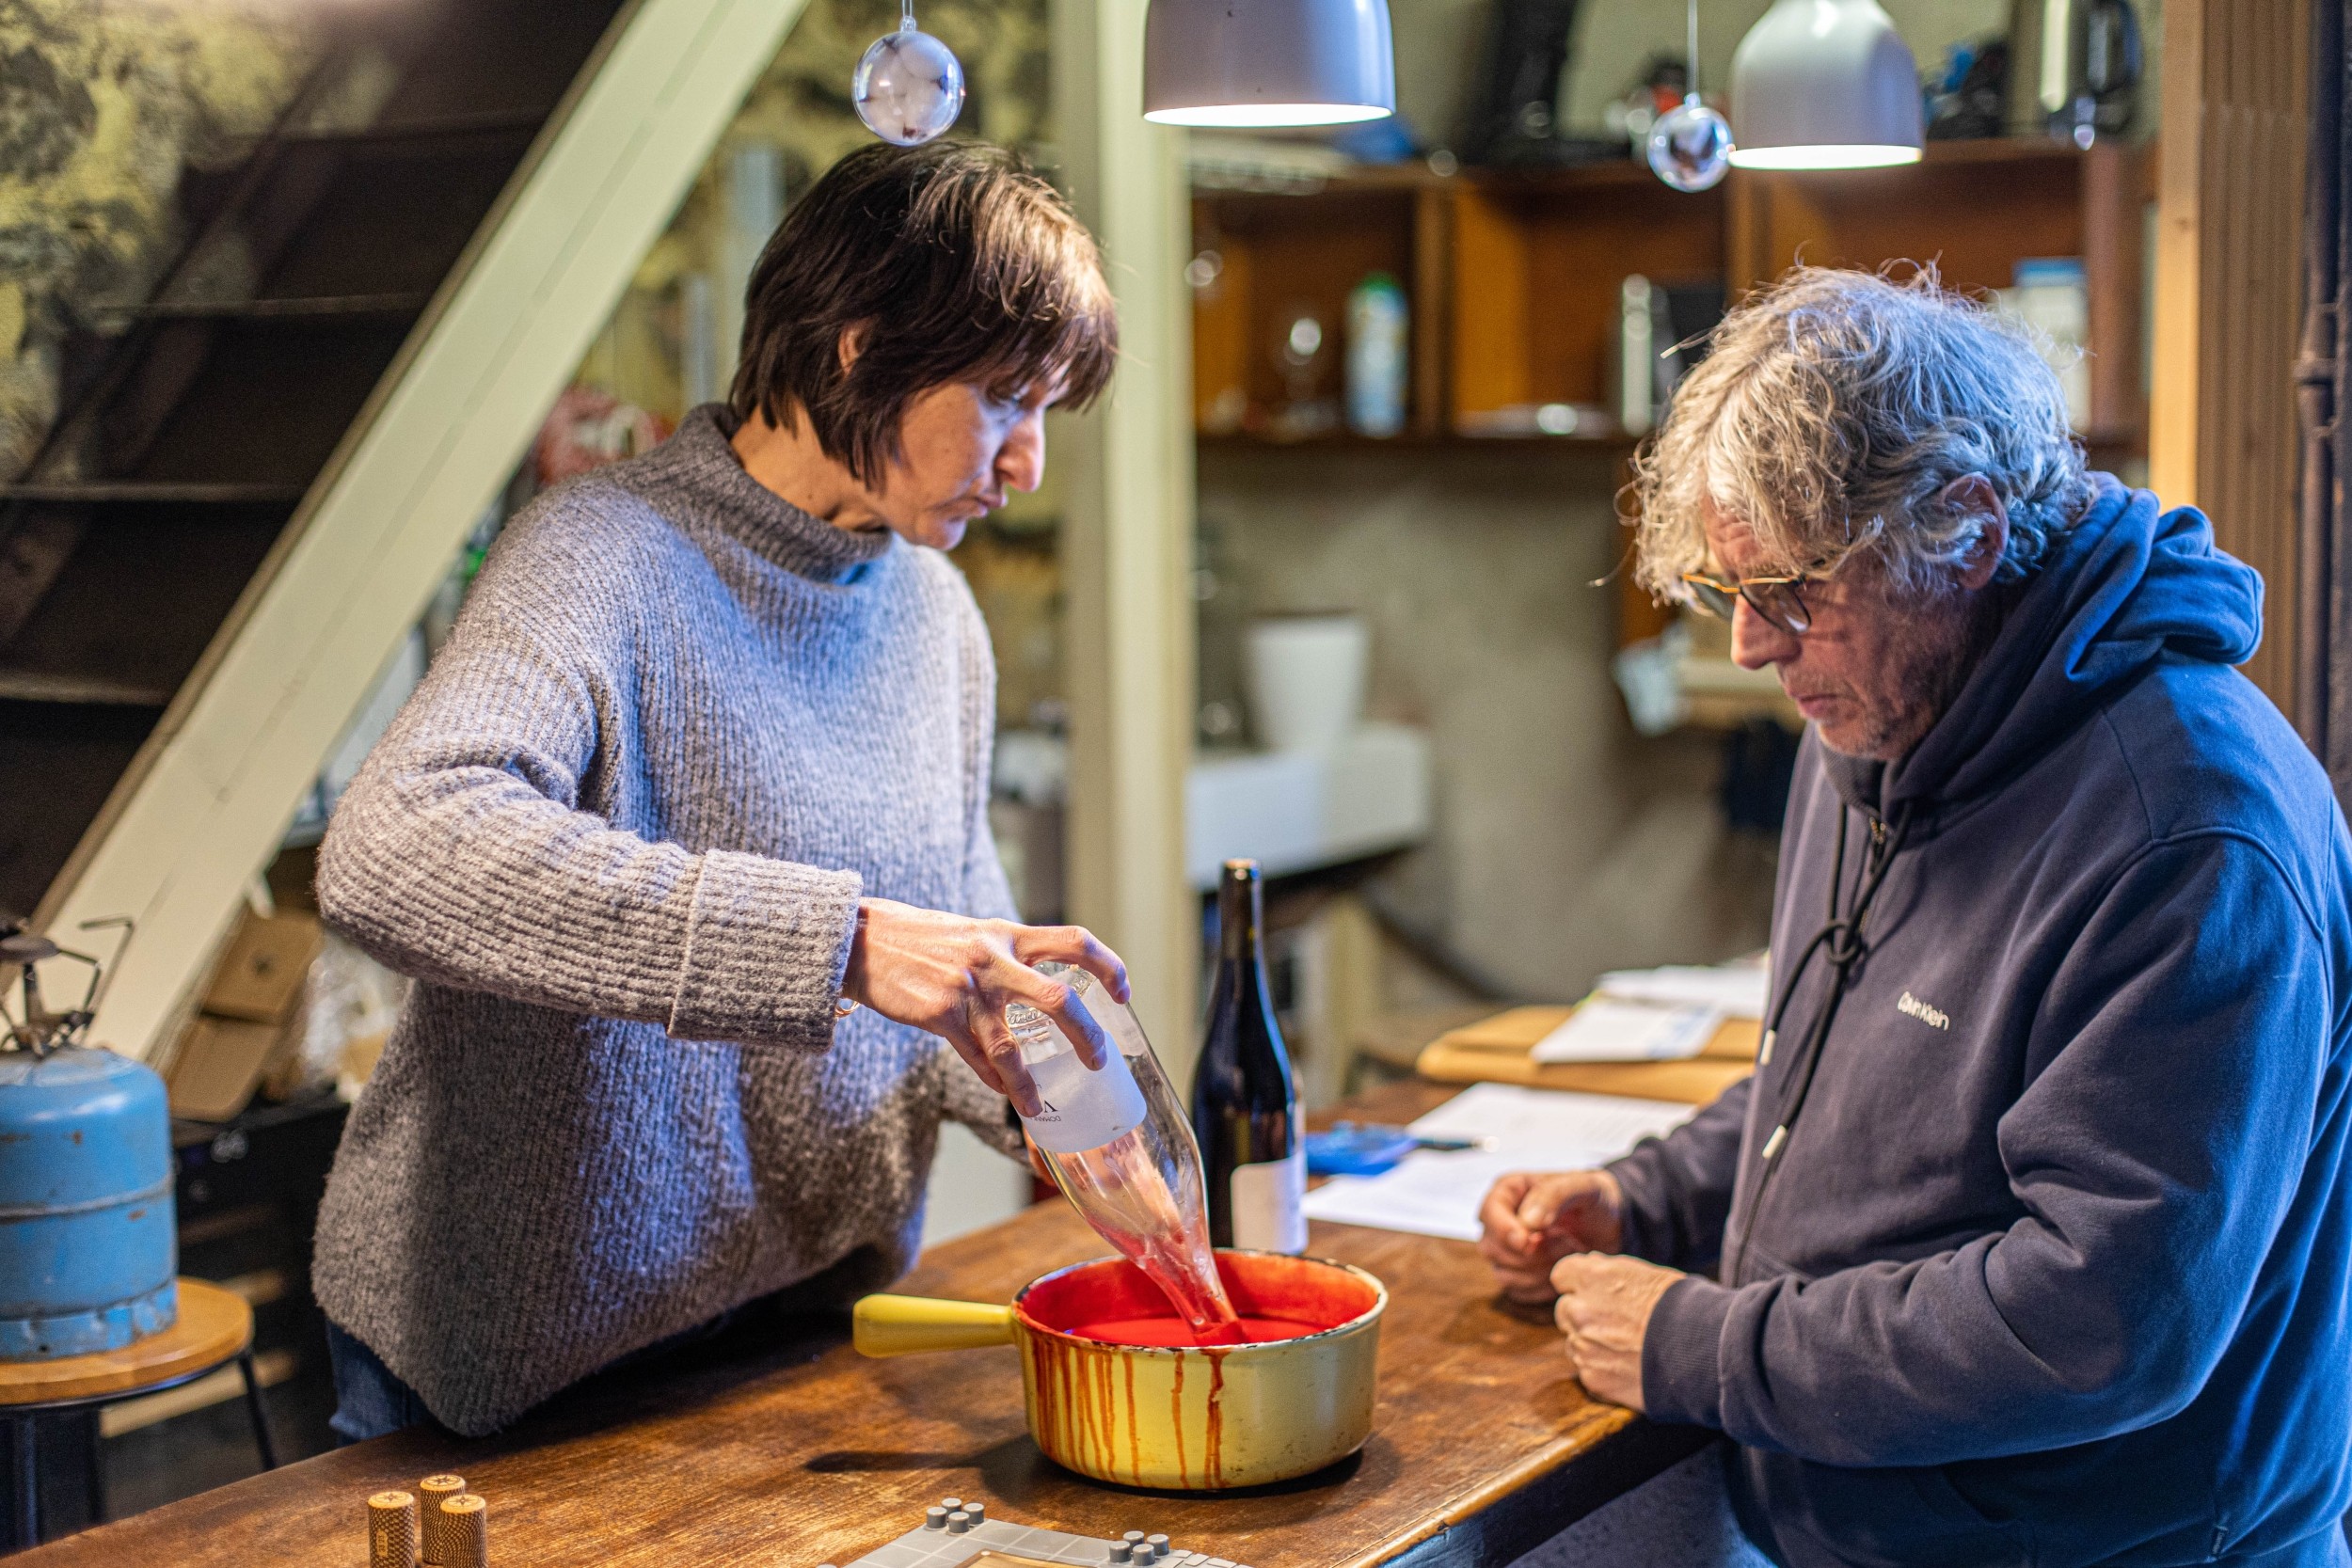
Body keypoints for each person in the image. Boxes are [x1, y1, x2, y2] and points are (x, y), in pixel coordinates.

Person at [1481, 267, 2352, 1567]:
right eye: (1733, 594)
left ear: (1968, 529)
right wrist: (1644, 1198)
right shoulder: (1888, 720)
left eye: (1791, 594)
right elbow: (1835, 1091)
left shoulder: (2190, 836)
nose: (1752, 650)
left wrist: (1703, 1347)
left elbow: (2099, 1321)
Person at [310, 141, 1127, 1440]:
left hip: (793, 1327)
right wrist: (837, 942)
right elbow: (393, 845)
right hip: (524, 1367)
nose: (1027, 463)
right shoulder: (600, 556)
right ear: (861, 349)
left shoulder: (935, 610)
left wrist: (1063, 1098)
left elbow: (950, 938)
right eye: (1002, 401)